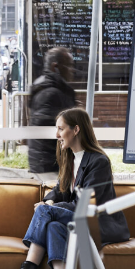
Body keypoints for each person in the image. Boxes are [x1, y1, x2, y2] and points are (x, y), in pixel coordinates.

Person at [0, 108, 129, 269]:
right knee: (53, 225)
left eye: (61, 129)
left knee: (48, 213)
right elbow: (60, 189)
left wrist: (50, 208)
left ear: (76, 130)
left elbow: (85, 204)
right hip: (77, 218)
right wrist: (51, 200)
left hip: (98, 222)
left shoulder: (98, 161)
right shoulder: (70, 158)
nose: (56, 134)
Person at [27, 47, 77, 175]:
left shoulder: (52, 89)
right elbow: (50, 133)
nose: (72, 70)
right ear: (56, 67)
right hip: (49, 168)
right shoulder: (50, 93)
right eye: (69, 65)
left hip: (50, 165)